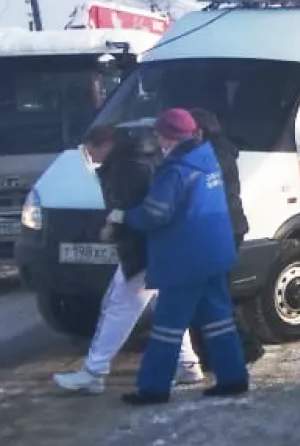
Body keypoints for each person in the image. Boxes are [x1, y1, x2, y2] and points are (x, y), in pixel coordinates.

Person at [53, 125, 201, 395]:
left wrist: (117, 223)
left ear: (105, 145)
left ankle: (94, 371)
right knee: (162, 306)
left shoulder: (128, 167)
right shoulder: (141, 159)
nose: (91, 157)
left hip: (145, 250)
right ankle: (188, 365)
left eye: (91, 150)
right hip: (157, 247)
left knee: (119, 308)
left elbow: (140, 209)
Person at [116, 109, 249, 405]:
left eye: (161, 135)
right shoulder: (207, 159)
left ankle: (153, 388)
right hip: (214, 254)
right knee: (218, 319)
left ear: (171, 136)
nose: (159, 142)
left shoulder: (177, 170)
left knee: (167, 326)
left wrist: (125, 216)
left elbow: (155, 214)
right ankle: (233, 377)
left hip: (186, 259)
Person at [186, 108, 264, 368]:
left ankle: (243, 349)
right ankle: (221, 352)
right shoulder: (215, 151)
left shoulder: (214, 155)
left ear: (200, 131)